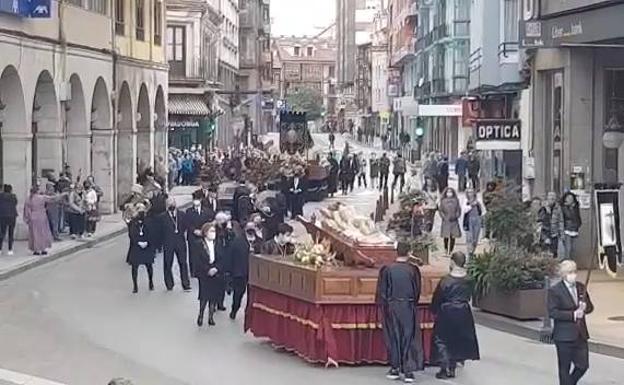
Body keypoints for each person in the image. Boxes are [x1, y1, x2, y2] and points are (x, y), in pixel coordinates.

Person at [376, 242, 424, 383]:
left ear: (396, 252)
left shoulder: (387, 269)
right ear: (409, 252)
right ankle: (408, 371)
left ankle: (395, 367)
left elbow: (382, 292)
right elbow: (417, 291)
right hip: (408, 305)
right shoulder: (413, 270)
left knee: (394, 336)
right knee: (409, 337)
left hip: (392, 305)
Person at [431, 251, 480, 379]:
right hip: (463, 310)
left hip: (447, 310)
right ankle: (453, 367)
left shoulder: (446, 280)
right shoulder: (470, 279)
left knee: (442, 339)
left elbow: (437, 298)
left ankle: (444, 367)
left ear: (452, 262)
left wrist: (434, 310)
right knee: (457, 338)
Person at [548, 260, 594, 385]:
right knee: (564, 368)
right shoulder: (555, 291)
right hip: (564, 336)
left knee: (583, 365)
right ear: (564, 274)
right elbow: (553, 312)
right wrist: (572, 315)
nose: (573, 275)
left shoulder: (580, 287)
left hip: (580, 334)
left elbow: (590, 308)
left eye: (574, 272)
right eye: (570, 272)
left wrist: (585, 307)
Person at [194, 222, 227, 326]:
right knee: (204, 295)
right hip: (204, 273)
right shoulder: (199, 244)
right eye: (211, 231)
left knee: (213, 296)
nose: (213, 233)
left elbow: (222, 258)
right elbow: (197, 260)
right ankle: (201, 315)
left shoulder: (218, 243)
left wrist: (216, 268)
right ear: (205, 232)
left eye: (214, 231)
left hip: (215, 272)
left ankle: (211, 317)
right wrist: (207, 270)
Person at [159, 197, 191, 292]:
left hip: (180, 242)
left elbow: (185, 226)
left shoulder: (182, 215)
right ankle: (169, 284)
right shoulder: (162, 217)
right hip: (168, 243)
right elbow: (160, 231)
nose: (171, 206)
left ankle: (185, 283)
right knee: (168, 263)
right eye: (169, 204)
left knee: (183, 263)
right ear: (166, 206)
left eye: (173, 203)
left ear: (175, 204)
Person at [126, 204, 156, 293]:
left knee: (149, 266)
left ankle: (151, 282)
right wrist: (138, 242)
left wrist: (147, 242)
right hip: (136, 246)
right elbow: (131, 234)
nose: (141, 212)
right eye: (139, 210)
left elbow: (152, 232)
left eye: (142, 210)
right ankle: (135, 285)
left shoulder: (149, 221)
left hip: (147, 246)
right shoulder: (133, 222)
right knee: (134, 267)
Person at [186, 191, 214, 279]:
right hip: (193, 236)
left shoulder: (207, 211)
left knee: (204, 253)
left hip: (204, 235)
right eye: (194, 199)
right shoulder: (189, 211)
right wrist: (194, 230)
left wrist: (204, 231)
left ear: (201, 200)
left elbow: (210, 221)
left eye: (197, 199)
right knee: (192, 254)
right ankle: (193, 271)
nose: (195, 201)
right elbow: (187, 223)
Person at [227, 222, 251, 320]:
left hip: (254, 273)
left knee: (252, 296)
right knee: (238, 294)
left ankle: (249, 314)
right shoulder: (238, 241)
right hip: (240, 272)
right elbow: (231, 257)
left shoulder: (260, 240)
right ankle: (234, 310)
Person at [439, 187, 462, 254]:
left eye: (450, 192)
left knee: (453, 236)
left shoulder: (456, 200)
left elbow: (458, 209)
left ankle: (451, 250)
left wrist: (456, 216)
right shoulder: (443, 201)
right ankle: (445, 249)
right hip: (446, 221)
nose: (449, 193)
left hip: (454, 221)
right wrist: (443, 217)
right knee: (446, 236)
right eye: (448, 192)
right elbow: (440, 210)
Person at [560, 192, 582, 261]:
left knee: (573, 249)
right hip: (567, 230)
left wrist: (578, 225)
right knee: (568, 248)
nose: (570, 199)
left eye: (571, 198)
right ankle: (567, 263)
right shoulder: (563, 207)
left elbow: (577, 218)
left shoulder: (575, 208)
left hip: (574, 230)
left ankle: (571, 263)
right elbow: (568, 216)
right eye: (568, 198)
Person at [464, 189, 483, 256]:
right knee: (469, 238)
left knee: (475, 238)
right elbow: (465, 210)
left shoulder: (478, 200)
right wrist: (471, 205)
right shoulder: (466, 201)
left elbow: (482, 211)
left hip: (477, 219)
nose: (470, 193)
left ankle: (473, 251)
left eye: (472, 192)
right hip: (469, 220)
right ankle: (469, 252)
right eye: (469, 192)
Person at [0, 185, 18, 255]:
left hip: (2, 215)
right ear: (11, 190)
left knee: (2, 232)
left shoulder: (0, 196)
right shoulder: (13, 196)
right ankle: (10, 249)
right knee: (11, 232)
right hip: (12, 215)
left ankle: (0, 249)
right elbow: (15, 203)